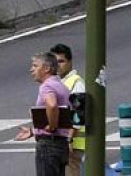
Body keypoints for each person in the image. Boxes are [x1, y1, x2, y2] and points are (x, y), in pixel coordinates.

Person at [15, 52, 72, 176]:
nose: (31, 70)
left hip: (48, 145)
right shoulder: (61, 85)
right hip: (61, 144)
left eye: (35, 66)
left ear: (47, 68)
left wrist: (52, 126)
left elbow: (52, 105)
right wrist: (33, 131)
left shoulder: (46, 86)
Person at [51, 44, 86, 176]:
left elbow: (79, 115)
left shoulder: (77, 84)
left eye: (61, 61)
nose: (58, 65)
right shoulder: (58, 83)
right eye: (55, 62)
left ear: (70, 62)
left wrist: (69, 139)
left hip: (74, 145)